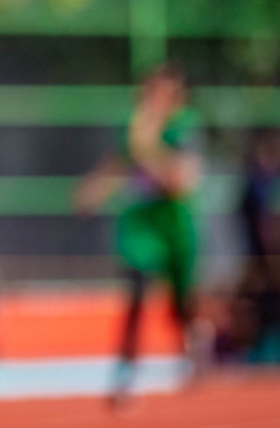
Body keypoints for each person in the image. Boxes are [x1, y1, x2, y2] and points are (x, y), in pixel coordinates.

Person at [75, 61, 207, 407]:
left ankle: (194, 344)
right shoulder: (132, 126)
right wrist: (95, 188)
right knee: (135, 288)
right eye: (150, 92)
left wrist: (148, 151)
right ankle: (126, 372)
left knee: (180, 300)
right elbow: (119, 161)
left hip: (174, 221)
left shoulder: (184, 127)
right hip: (139, 223)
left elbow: (181, 179)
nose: (154, 100)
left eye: (163, 93)